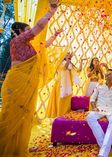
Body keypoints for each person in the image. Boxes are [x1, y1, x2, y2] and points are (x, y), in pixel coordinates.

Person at [0, 2, 59, 157]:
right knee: (12, 116)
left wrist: (54, 36)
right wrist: (50, 12)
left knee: (24, 115)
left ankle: (20, 148)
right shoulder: (17, 41)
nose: (29, 32)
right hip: (16, 83)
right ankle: (5, 148)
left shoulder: (28, 46)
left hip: (24, 84)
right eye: (27, 30)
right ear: (19, 31)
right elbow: (38, 28)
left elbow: (43, 46)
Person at [86, 69, 112, 157]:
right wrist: (94, 107)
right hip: (100, 108)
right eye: (106, 73)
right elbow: (92, 98)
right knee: (89, 117)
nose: (107, 75)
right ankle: (104, 145)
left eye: (109, 74)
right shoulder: (99, 85)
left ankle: (103, 153)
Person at [46, 53, 84, 118]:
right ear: (63, 56)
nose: (68, 55)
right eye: (67, 54)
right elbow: (64, 68)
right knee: (60, 101)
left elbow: (78, 70)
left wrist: (81, 61)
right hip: (60, 85)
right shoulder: (59, 63)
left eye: (69, 55)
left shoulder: (70, 65)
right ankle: (59, 116)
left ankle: (65, 116)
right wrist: (69, 60)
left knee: (67, 101)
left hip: (68, 85)